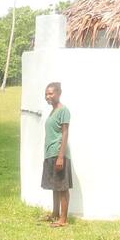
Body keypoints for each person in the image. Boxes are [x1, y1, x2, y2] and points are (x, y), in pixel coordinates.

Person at [41, 81, 72, 227]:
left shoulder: (63, 110)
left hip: (59, 153)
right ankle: (55, 214)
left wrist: (61, 156)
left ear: (59, 93)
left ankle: (63, 220)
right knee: (55, 186)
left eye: (51, 93)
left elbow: (65, 133)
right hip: (50, 153)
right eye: (46, 94)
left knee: (62, 187)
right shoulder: (52, 111)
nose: (48, 96)